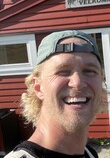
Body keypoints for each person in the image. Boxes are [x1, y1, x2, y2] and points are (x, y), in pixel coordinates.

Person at [5, 30, 103, 158]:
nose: (78, 83)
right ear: (38, 87)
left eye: (89, 71)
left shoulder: (89, 153)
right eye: (63, 71)